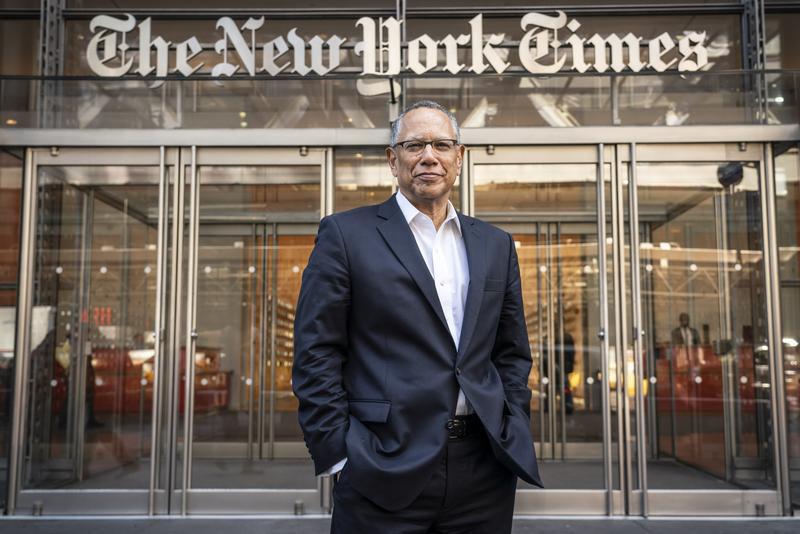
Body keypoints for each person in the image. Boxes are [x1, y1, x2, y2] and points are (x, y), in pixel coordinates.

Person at [292, 100, 542, 533]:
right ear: (393, 160)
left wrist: (512, 422)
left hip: (483, 469)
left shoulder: (495, 244)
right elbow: (316, 351)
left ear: (459, 157)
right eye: (414, 145)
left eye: (442, 145)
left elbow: (512, 351)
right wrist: (339, 454)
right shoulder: (346, 235)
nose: (429, 156)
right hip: (382, 465)